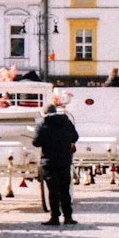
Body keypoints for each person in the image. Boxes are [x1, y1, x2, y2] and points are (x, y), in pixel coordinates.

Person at [34, 95, 78, 226]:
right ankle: (68, 216)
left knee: (53, 191)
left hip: (49, 162)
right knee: (65, 189)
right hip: (64, 160)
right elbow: (75, 137)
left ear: (45, 114)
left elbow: (36, 142)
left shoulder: (42, 125)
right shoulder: (67, 122)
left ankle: (54, 217)